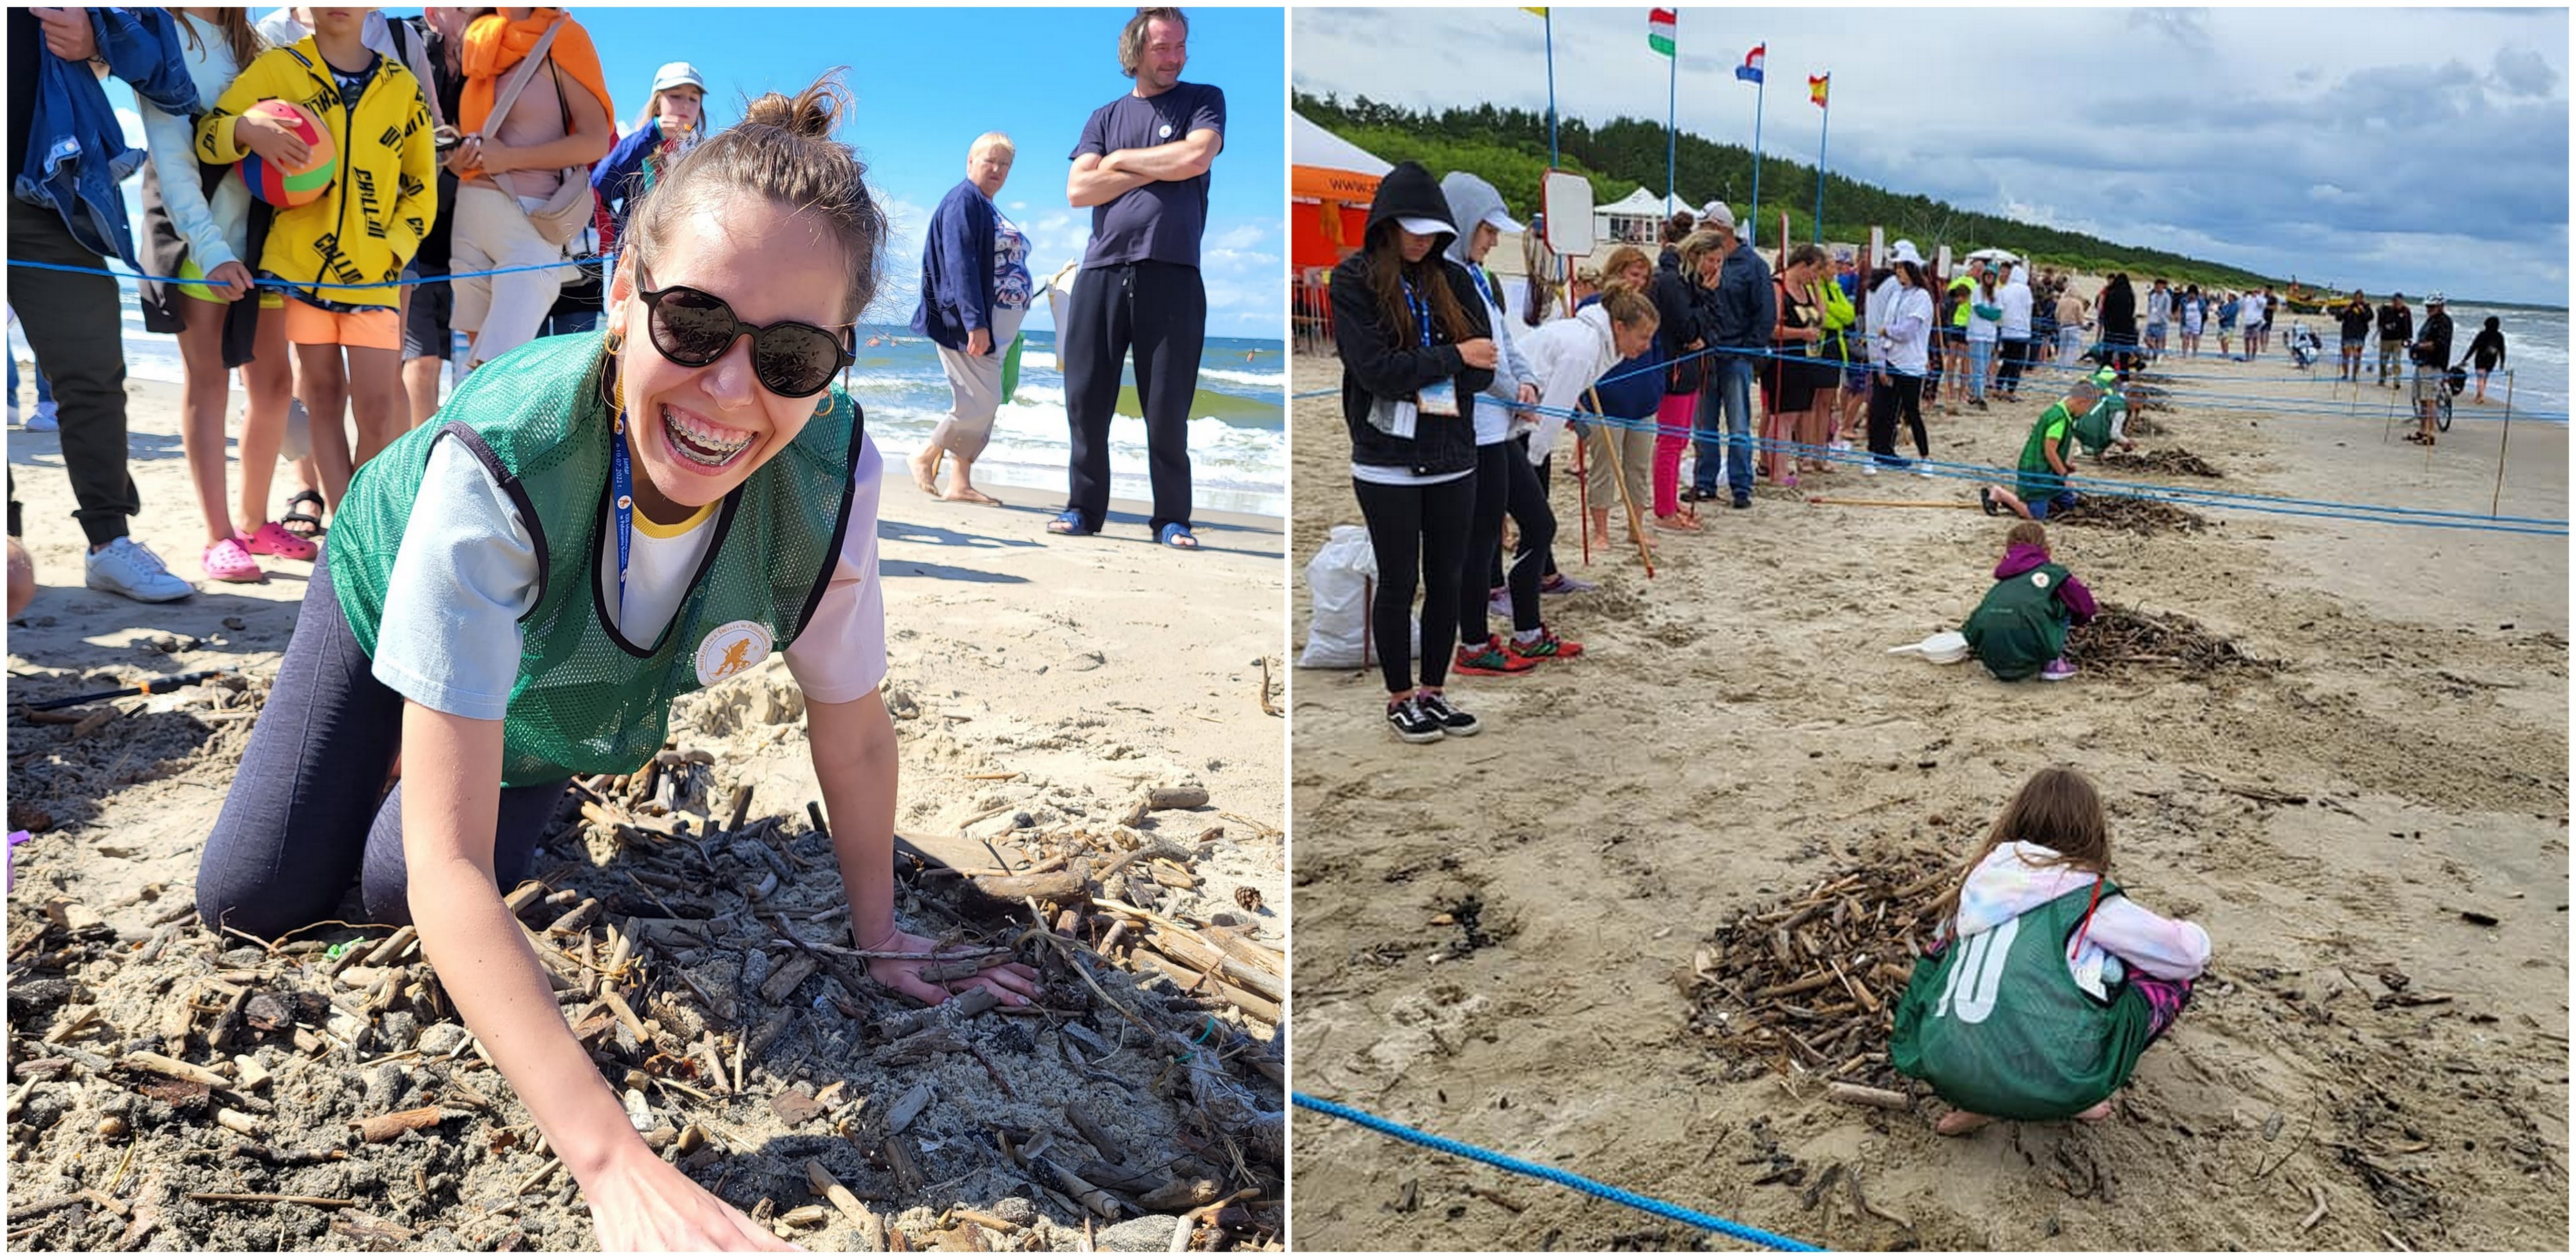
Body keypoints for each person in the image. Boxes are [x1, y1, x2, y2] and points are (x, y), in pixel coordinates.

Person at [197, 75, 1040, 1249]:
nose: (729, 390)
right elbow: (458, 864)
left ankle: (446, 728)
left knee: (398, 889)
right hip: (386, 575)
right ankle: (411, 713)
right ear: (622, 295)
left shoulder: (832, 485)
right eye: (693, 324)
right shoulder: (502, 462)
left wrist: (880, 926)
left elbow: (847, 724)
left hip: (567, 681)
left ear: (838, 365)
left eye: (791, 356)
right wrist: (611, 1156)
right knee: (252, 900)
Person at [198, 7, 438, 519]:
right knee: (324, 397)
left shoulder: (401, 86)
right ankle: (346, 534)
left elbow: (422, 185)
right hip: (303, 273)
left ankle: (362, 521)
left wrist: (392, 249)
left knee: (377, 407)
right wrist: (246, 129)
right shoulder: (278, 68)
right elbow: (209, 137)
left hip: (375, 276)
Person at [1892, 766, 2211, 1134]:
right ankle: (2075, 1095)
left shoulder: (1979, 881)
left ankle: (1977, 1103)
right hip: (2051, 1078)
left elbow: (1937, 958)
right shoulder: (2087, 897)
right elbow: (2189, 954)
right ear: (2090, 832)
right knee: (2159, 971)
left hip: (1948, 1066)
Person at [9, 6, 201, 604]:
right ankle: (7, 553)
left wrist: (100, 35)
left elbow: (156, 50)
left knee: (92, 372)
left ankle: (110, 541)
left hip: (49, 194)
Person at [137, 8, 311, 584]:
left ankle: (256, 521)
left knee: (275, 384)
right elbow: (173, 157)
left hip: (263, 238)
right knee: (208, 378)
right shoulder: (162, 32)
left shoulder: (255, 41)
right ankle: (218, 536)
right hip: (196, 235)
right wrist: (211, 248)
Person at [1331, 161, 1496, 740]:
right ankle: (1399, 696)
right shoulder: (1352, 280)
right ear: (1387, 224)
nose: (1422, 239)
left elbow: (1486, 368)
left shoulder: (1450, 280)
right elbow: (1376, 370)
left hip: (1453, 454)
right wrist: (1453, 357)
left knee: (1447, 578)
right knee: (1398, 581)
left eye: (1432, 229)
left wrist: (1437, 366)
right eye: (1411, 227)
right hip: (1385, 458)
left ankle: (1435, 689)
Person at [1055, 7, 1225, 549]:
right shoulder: (1102, 116)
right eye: (1162, 48)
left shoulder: (1203, 100)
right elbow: (1078, 191)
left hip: (1173, 272)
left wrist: (1121, 162)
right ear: (1136, 50)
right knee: (1086, 400)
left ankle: (1172, 518)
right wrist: (1157, 163)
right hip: (1103, 269)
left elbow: (1196, 157)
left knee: (1167, 407)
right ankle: (1083, 508)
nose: (1174, 58)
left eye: (1180, 47)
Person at [1439, 171, 1561, 677]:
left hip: (1503, 424)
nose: (1492, 241)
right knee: (1482, 540)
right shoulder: (1444, 277)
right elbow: (1472, 360)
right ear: (1463, 222)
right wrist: (1515, 394)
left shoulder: (1477, 276)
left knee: (1538, 522)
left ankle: (1528, 632)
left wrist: (1527, 383)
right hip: (1478, 428)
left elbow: (1504, 343)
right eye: (1487, 231)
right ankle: (1472, 644)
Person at [448, 8, 616, 370]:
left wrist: (508, 158)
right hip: (469, 215)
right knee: (474, 369)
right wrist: (458, 158)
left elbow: (595, 141)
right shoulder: (476, 38)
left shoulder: (566, 37)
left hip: (531, 220)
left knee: (495, 367)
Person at [908, 133, 1032, 506]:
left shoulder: (984, 204)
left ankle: (959, 482)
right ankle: (927, 453)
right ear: (970, 162)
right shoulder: (965, 201)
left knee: (983, 402)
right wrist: (975, 322)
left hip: (992, 324)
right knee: (981, 401)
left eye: (1005, 164)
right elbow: (960, 263)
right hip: (967, 323)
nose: (997, 169)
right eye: (989, 161)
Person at [396, 8, 471, 428]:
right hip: (416, 236)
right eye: (462, 9)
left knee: (468, 368)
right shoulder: (404, 44)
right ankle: (417, 465)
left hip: (471, 243)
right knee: (422, 363)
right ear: (434, 14)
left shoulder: (502, 61)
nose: (476, 17)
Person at [1689, 204, 1774, 510]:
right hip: (1707, 355)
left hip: (1737, 354)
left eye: (1705, 225)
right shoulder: (1701, 260)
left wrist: (1748, 351)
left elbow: (1765, 313)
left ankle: (1741, 486)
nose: (1700, 231)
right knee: (1704, 424)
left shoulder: (1753, 265)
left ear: (1720, 227)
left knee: (1738, 424)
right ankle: (1705, 483)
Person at [1959, 521, 2095, 683]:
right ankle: (2052, 664)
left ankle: (2002, 659)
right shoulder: (2054, 574)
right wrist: (2079, 621)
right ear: (2046, 548)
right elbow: (2085, 605)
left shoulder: (2002, 584)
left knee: (2003, 609)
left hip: (1993, 663)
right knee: (2064, 603)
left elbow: (1971, 628)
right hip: (2034, 653)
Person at [593, 60, 705, 241]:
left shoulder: (703, 154)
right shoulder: (638, 143)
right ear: (657, 102)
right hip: (636, 251)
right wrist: (651, 135)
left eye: (694, 99)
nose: (685, 104)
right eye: (676, 96)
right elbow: (602, 185)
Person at [1647, 219, 1708, 528]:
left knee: (1678, 441)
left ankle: (1668, 504)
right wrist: (1705, 299)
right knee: (1671, 442)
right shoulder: (1671, 282)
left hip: (1686, 368)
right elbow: (1688, 328)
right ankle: (1665, 510)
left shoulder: (1683, 281)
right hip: (1675, 368)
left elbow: (1705, 329)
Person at [1977, 375, 2102, 521]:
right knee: (2037, 515)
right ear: (2081, 401)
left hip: (2049, 471)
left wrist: (2064, 465)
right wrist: (2063, 474)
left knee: (2070, 504)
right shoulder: (2059, 419)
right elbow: (2050, 451)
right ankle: (1999, 494)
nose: (2086, 412)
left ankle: (2030, 502)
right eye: (2088, 408)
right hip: (2037, 471)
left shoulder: (2064, 413)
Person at [1761, 243, 1831, 484]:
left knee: (1791, 416)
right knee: (1781, 417)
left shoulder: (1805, 287)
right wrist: (1801, 335)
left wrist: (1816, 289)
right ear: (1802, 265)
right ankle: (1777, 472)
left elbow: (1820, 318)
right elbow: (1771, 329)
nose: (1815, 277)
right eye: (1814, 271)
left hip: (1806, 360)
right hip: (1784, 360)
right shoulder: (1777, 286)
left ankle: (1779, 468)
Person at [1865, 243, 1935, 472]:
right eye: (1896, 268)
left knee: (1912, 412)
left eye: (1902, 268)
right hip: (1891, 360)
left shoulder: (1923, 297)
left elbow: (1908, 331)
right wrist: (1882, 363)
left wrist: (1888, 331)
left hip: (1912, 364)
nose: (1898, 272)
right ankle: (1873, 455)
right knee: (1881, 409)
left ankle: (1926, 459)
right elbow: (1886, 328)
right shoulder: (1896, 294)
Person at [2406, 292, 2453, 446]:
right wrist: (2415, 348)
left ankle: (2430, 435)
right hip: (2422, 363)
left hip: (2433, 365)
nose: (2429, 309)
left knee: (2430, 400)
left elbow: (2439, 344)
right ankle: (2422, 431)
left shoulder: (2444, 322)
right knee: (2421, 399)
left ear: (2441, 306)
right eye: (2427, 306)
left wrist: (2419, 346)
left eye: (2432, 306)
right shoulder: (2430, 320)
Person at [1961, 268, 2001, 411]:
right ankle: (1980, 397)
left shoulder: (1997, 292)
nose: (1989, 278)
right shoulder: (1977, 290)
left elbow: (1998, 314)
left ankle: (1973, 392)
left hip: (1990, 335)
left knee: (1984, 367)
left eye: (1992, 275)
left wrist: (1989, 314)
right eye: (1987, 275)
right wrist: (1991, 313)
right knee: (1979, 367)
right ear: (1984, 277)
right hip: (1976, 333)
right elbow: (1979, 310)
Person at [1996, 264, 2034, 400]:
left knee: (2007, 361)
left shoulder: (2005, 290)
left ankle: (1998, 388)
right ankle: (2011, 391)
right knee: (2017, 364)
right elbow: (2029, 309)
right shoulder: (2026, 290)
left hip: (2007, 332)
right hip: (2022, 332)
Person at [2094, 274, 2137, 372]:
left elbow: (2105, 310)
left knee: (2108, 353)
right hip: (2126, 329)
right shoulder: (2130, 295)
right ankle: (2124, 380)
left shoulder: (2110, 293)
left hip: (2111, 329)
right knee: (2124, 356)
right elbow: (2132, 311)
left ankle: (2104, 373)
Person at [2465, 314, 2507, 403]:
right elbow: (2502, 350)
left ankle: (2481, 397)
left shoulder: (2482, 334)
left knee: (2480, 378)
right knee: (2485, 378)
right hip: (2492, 360)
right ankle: (2479, 395)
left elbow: (2473, 347)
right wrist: (2502, 363)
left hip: (2481, 359)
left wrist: (2466, 359)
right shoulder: (2500, 336)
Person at [2375, 292, 2413, 390]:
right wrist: (2381, 325)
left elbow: (2409, 325)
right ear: (2393, 302)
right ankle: (2382, 379)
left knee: (2397, 361)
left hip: (2398, 340)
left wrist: (2408, 338)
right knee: (2383, 361)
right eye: (2395, 302)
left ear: (2403, 302)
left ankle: (2397, 382)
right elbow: (2380, 321)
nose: (2398, 304)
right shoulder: (2386, 310)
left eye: (2400, 302)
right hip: (2385, 339)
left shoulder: (2406, 311)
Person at [2334, 290, 2373, 383]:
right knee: (2345, 356)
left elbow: (2370, 318)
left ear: (2362, 298)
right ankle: (2345, 374)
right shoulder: (2349, 307)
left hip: (2359, 336)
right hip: (2347, 335)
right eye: (2355, 298)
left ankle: (2354, 376)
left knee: (2357, 357)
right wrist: (2344, 310)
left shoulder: (2366, 307)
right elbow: (2338, 318)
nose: (2357, 300)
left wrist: (2362, 310)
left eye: (2359, 298)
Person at [2142, 278, 2171, 355]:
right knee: (2147, 339)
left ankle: (2157, 356)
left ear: (2163, 286)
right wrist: (2148, 317)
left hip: (2161, 323)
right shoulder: (2153, 296)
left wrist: (2164, 318)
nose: (2157, 288)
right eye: (2156, 286)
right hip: (2151, 321)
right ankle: (2157, 352)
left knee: (2159, 341)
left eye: (2159, 286)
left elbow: (2168, 311)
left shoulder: (2167, 297)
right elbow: (2150, 308)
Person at [2237, 285, 2267, 360]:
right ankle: (2247, 356)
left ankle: (2253, 357)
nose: (2254, 293)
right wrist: (2244, 296)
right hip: (2248, 322)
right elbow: (2240, 305)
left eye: (2257, 291)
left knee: (2255, 340)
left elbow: (2262, 305)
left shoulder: (2262, 299)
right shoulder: (2248, 298)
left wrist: (2256, 296)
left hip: (2257, 322)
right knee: (2246, 340)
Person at [2176, 284, 2204, 359]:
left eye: (2193, 294)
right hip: (2186, 322)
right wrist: (2178, 316)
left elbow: (2204, 311)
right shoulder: (2184, 300)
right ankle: (2184, 354)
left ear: (2196, 294)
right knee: (2185, 338)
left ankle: (2195, 354)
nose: (2192, 296)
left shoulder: (2200, 301)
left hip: (2197, 323)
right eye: (2190, 294)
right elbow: (2180, 309)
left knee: (2196, 338)